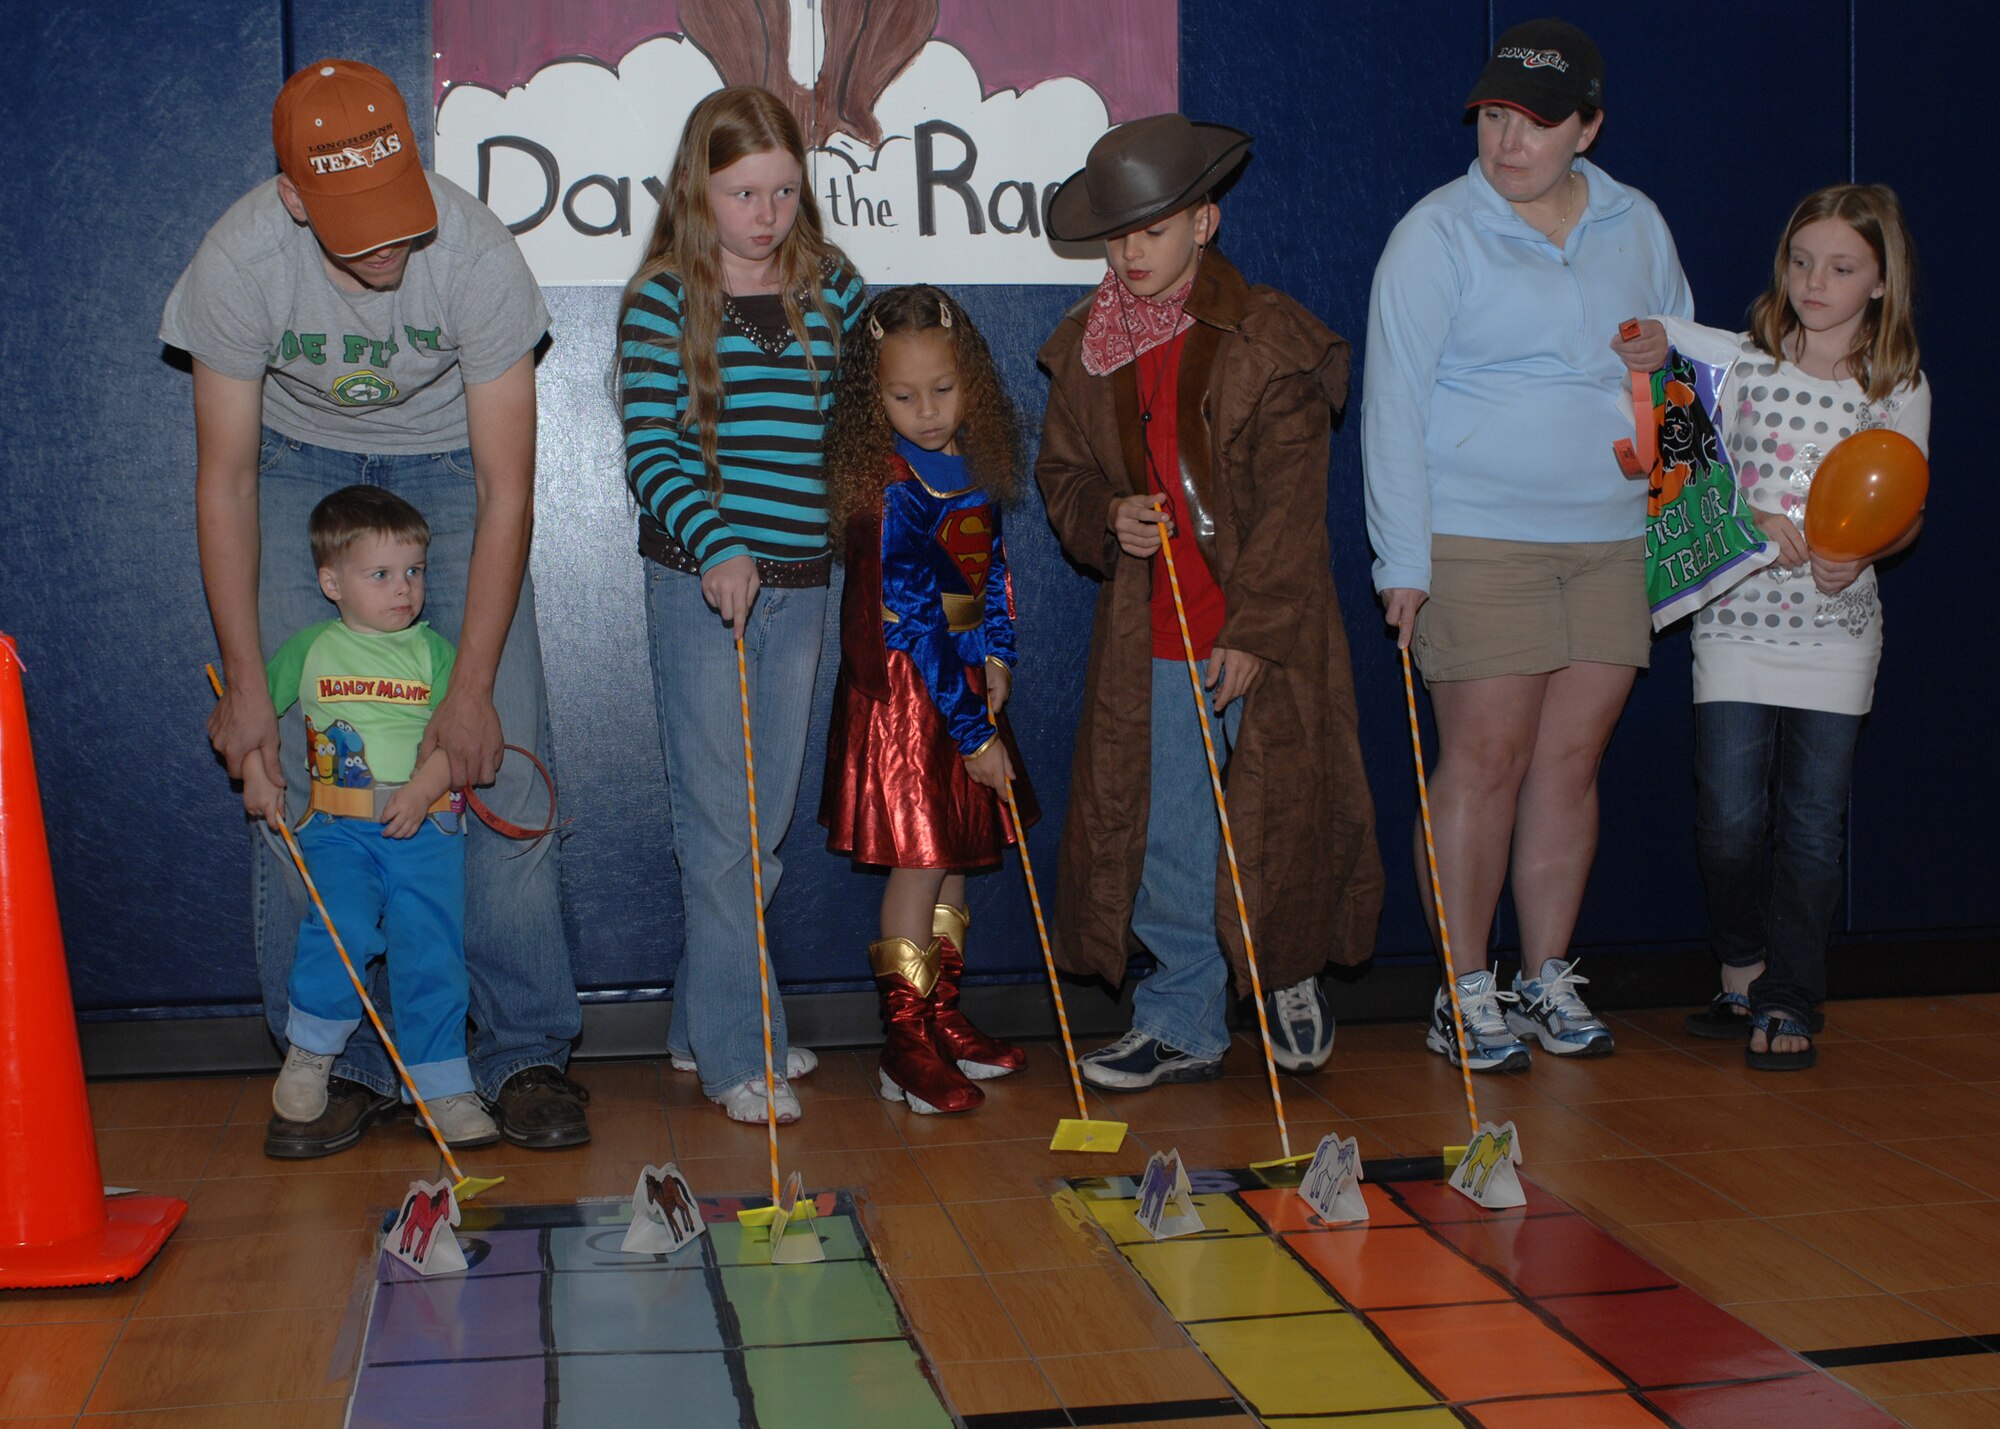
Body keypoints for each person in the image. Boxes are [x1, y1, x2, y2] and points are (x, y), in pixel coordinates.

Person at [161, 59, 587, 1157]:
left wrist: (473, 689)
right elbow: (226, 481)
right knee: (299, 773)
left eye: (399, 216)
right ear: (296, 197)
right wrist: (249, 685)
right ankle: (342, 1061)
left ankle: (524, 1051)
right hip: (299, 461)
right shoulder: (241, 261)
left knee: (492, 751)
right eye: (357, 229)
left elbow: (505, 492)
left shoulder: (476, 255)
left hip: (451, 460)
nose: (391, 250)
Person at [1361, 19, 1692, 1071]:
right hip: (1474, 538)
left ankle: (1545, 977)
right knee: (1487, 758)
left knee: (1567, 762)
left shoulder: (1636, 223)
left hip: (1607, 536)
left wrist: (1660, 356)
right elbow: (1391, 406)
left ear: (1585, 128)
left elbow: (1685, 371)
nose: (1508, 142)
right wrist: (1399, 561)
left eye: (1537, 123)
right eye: (1494, 117)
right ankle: (1462, 990)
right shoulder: (1433, 233)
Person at [1035, 114, 1382, 1090]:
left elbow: (1289, 513)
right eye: (1116, 234)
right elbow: (1059, 477)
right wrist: (1106, 515)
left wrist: (1257, 633)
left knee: (1280, 811)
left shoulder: (1269, 340)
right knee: (1171, 831)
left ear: (1204, 222)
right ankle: (1182, 1013)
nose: (1130, 250)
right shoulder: (1087, 350)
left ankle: (1285, 977)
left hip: (1260, 632)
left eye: (1151, 228)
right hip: (1153, 636)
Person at [617, 87, 865, 1124]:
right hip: (700, 581)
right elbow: (651, 446)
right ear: (698, 188)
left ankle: (696, 1022)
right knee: (719, 827)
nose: (764, 214)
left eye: (782, 191)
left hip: (806, 589)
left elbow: (857, 434)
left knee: (756, 835)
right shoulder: (666, 297)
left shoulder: (835, 288)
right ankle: (737, 1048)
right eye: (741, 192)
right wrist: (716, 541)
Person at [1660, 186, 1929, 1070]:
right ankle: (1742, 962)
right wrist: (1743, 522)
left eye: (1843, 267)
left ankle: (1790, 998)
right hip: (1736, 624)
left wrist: (1867, 549)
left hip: (1838, 635)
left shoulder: (1898, 384)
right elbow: (1694, 469)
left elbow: (1906, 505)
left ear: (1881, 283)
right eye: (1802, 260)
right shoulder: (1743, 360)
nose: (1816, 281)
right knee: (1730, 821)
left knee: (1813, 826)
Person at [819, 285, 1037, 1115]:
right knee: (919, 859)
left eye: (942, 390)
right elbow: (913, 617)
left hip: (957, 689)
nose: (927, 411)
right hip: (907, 704)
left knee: (950, 858)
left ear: (970, 379)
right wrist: (975, 729)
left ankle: (943, 1016)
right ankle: (903, 1042)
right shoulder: (889, 488)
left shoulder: (967, 467)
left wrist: (996, 653)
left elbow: (976, 577)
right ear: (871, 401)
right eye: (902, 397)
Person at [239, 487, 496, 1147]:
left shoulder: (437, 655)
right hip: (339, 829)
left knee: (430, 950)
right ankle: (311, 1049)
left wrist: (422, 787)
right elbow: (253, 722)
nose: (403, 588)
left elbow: (454, 740)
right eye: (380, 574)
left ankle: (443, 1087)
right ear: (332, 581)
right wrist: (258, 776)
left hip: (426, 825)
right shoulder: (309, 650)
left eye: (413, 570)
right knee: (341, 925)